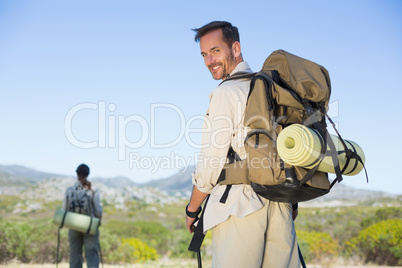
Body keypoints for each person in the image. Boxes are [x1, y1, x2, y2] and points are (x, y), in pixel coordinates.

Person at [185, 21, 301, 268]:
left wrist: (193, 209)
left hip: (241, 206)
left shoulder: (227, 92)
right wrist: (291, 199)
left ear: (235, 48)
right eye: (204, 54)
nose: (209, 61)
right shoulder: (273, 89)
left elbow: (211, 162)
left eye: (215, 51)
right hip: (280, 203)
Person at [62, 163, 102, 268]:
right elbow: (98, 210)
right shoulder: (93, 190)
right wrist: (98, 222)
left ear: (77, 174)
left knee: (75, 254)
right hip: (89, 225)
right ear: (88, 174)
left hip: (73, 225)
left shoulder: (69, 191)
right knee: (92, 253)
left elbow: (64, 210)